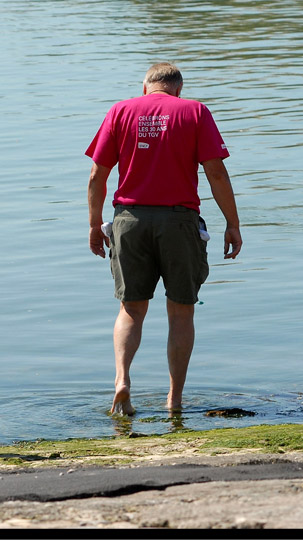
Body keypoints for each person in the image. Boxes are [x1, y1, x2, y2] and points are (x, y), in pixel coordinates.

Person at [86, 62, 242, 416]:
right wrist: (232, 223)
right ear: (178, 90)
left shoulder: (121, 111)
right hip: (178, 221)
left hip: (130, 221)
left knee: (131, 309)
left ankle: (122, 380)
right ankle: (174, 399)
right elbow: (215, 172)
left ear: (146, 88)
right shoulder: (195, 111)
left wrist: (95, 224)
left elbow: (98, 174)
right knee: (181, 311)